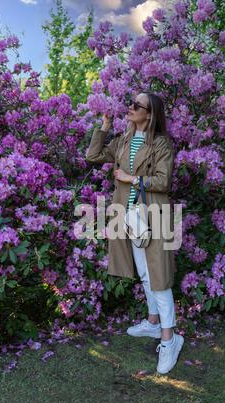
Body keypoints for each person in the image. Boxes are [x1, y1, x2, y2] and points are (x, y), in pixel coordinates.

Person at [86, 92, 184, 374]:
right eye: (130, 102)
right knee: (144, 274)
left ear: (150, 114)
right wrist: (104, 126)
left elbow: (163, 182)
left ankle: (170, 338)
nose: (129, 107)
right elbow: (93, 155)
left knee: (159, 277)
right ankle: (153, 323)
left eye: (136, 105)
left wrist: (131, 179)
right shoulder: (123, 139)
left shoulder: (161, 144)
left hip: (153, 215)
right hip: (128, 217)